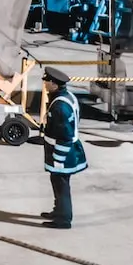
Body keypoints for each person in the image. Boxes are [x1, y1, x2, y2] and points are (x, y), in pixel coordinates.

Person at [40, 65, 87, 228]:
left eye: (47, 82)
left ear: (54, 84)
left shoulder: (60, 106)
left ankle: (63, 219)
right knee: (57, 182)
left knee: (61, 185)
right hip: (63, 151)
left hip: (62, 153)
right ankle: (58, 210)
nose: (45, 84)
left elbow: (65, 135)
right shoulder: (67, 96)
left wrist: (58, 160)